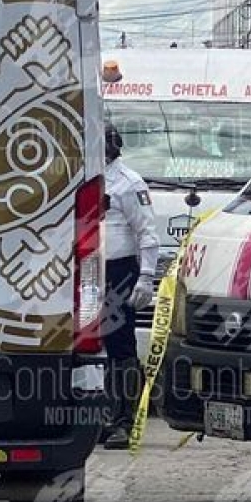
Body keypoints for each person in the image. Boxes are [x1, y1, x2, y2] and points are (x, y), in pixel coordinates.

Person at [101, 121, 159, 450]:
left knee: (120, 348)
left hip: (118, 272)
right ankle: (101, 417)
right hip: (86, 272)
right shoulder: (82, 178)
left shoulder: (128, 183)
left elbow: (147, 234)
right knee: (91, 348)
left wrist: (146, 277)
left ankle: (125, 421)